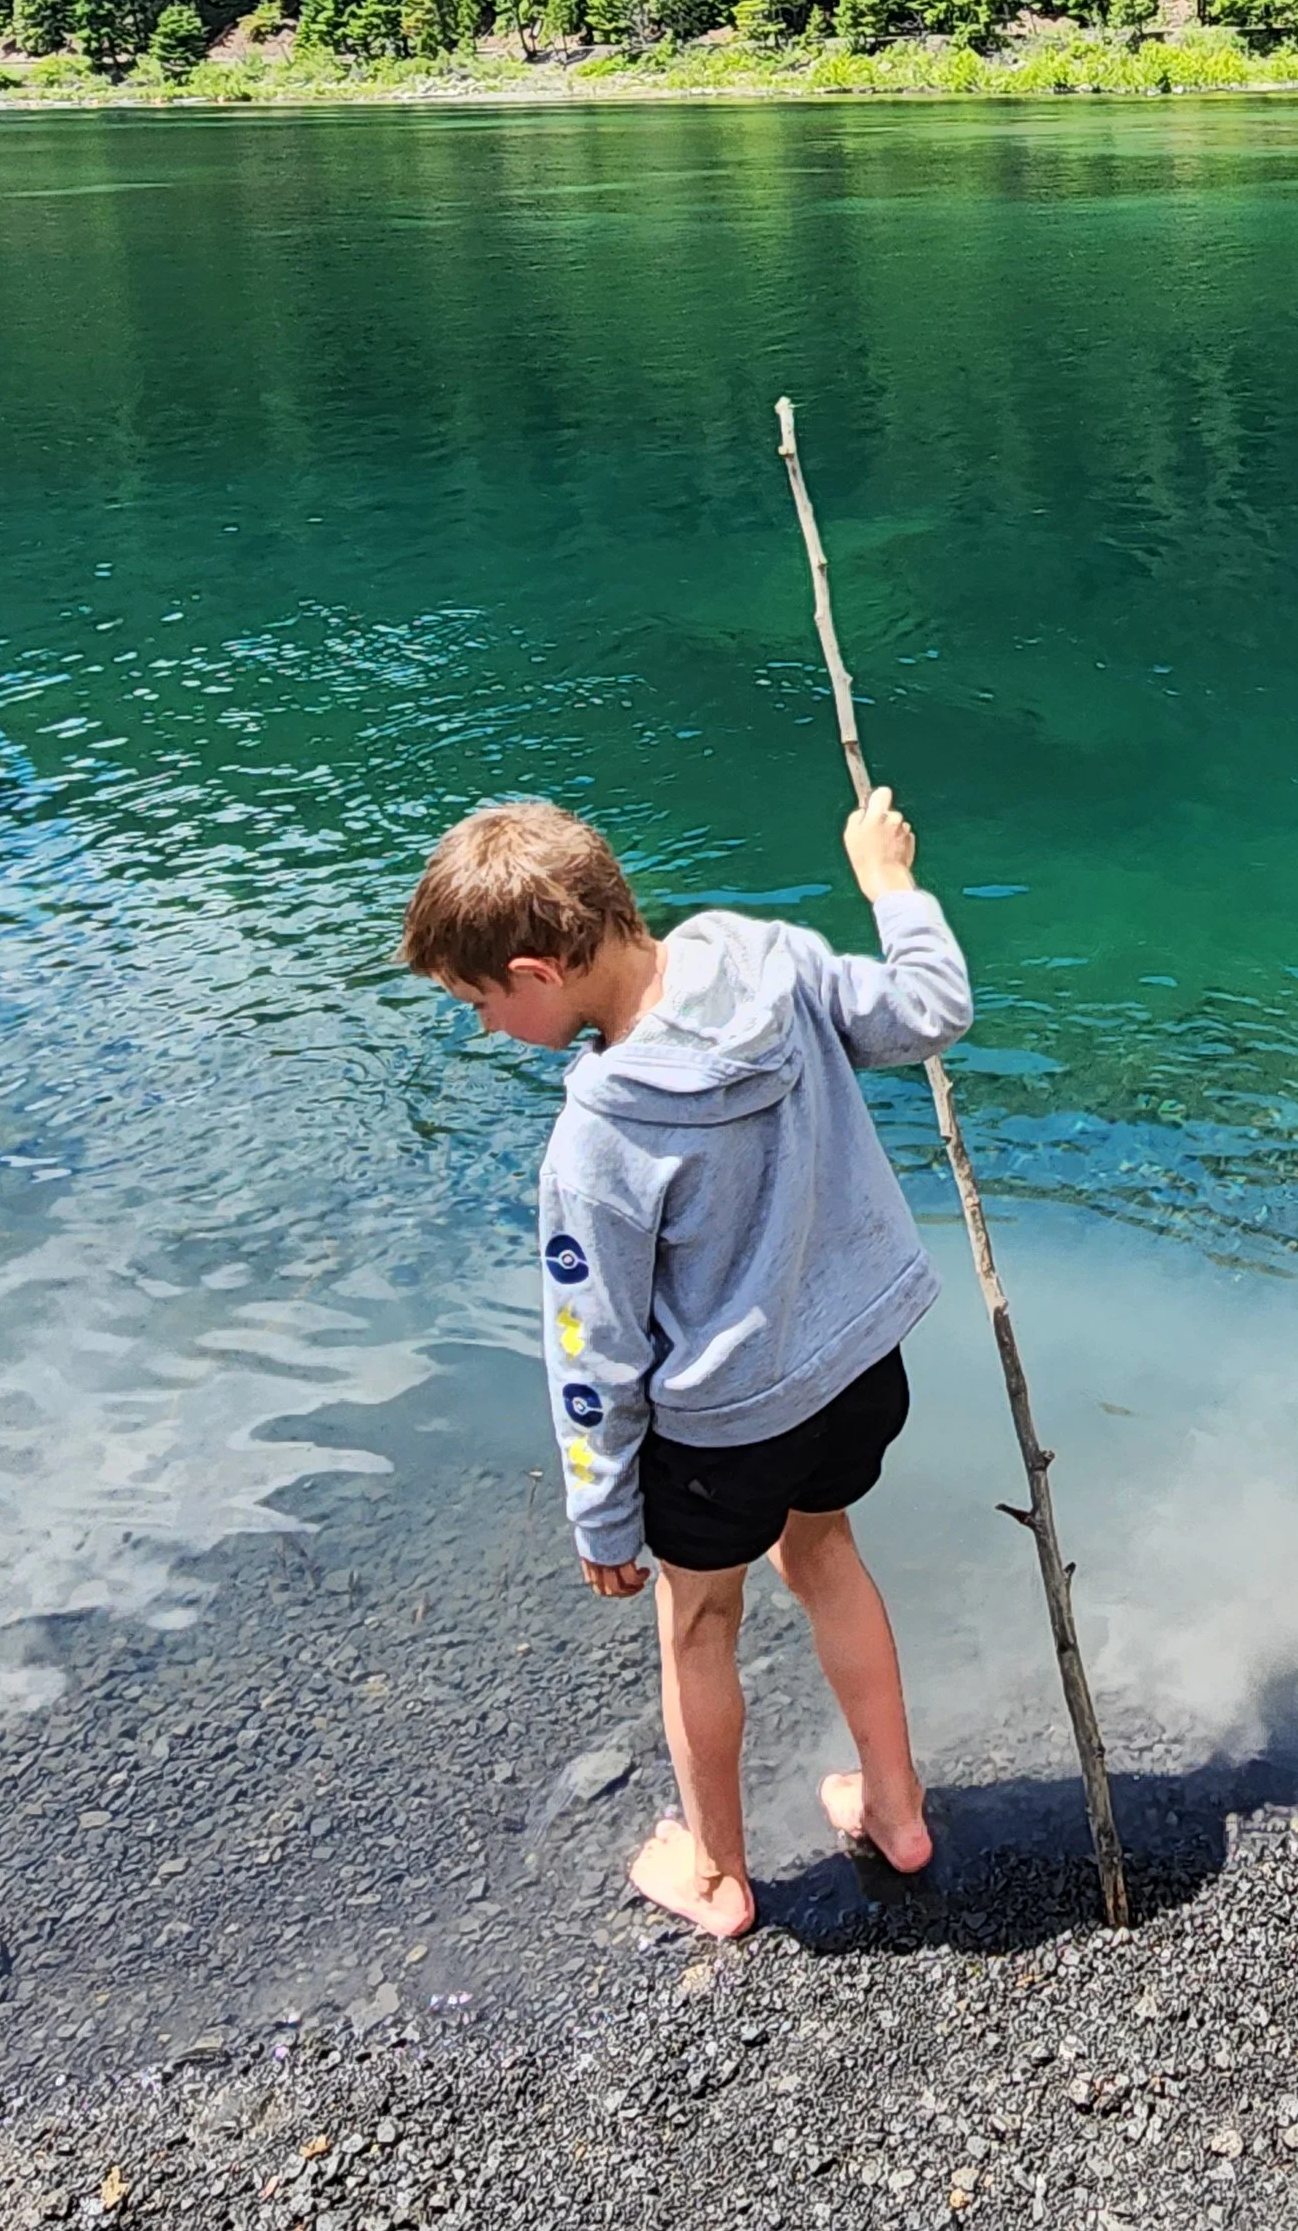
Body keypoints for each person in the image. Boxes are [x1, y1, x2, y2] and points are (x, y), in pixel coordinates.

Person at [399, 786, 969, 1939]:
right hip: (859, 1367)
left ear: (537, 972)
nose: (482, 1027)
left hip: (730, 1427)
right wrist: (888, 884)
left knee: (697, 1624)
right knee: (826, 1554)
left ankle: (715, 1874)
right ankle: (897, 1811)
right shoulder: (760, 955)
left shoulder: (598, 1137)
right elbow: (930, 1010)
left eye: (478, 1002)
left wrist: (603, 1518)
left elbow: (593, 1353)